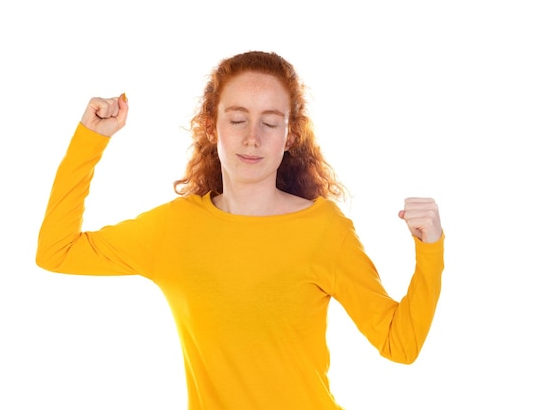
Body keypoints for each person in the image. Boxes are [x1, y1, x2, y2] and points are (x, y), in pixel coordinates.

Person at [36, 51, 444, 410]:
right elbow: (56, 251)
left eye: (270, 122)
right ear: (212, 128)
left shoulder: (324, 230)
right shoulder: (175, 228)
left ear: (290, 136)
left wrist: (430, 249)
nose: (252, 138)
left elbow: (399, 344)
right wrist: (91, 140)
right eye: (237, 119)